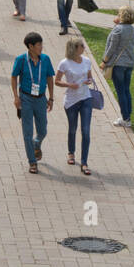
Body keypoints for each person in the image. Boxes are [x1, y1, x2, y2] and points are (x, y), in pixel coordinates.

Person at [11, 31, 55, 174]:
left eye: (41, 44)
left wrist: (51, 97)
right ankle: (32, 162)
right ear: (30, 46)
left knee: (42, 130)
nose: (41, 47)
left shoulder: (46, 59)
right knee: (27, 132)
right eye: (38, 45)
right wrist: (16, 97)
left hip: (41, 99)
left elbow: (49, 78)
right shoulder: (21, 60)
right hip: (26, 99)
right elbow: (14, 77)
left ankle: (36, 144)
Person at [55, 35, 96, 174]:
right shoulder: (64, 63)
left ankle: (84, 162)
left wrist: (88, 81)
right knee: (72, 128)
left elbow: (89, 76)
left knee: (86, 130)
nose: (84, 48)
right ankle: (71, 152)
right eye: (82, 46)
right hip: (71, 101)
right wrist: (69, 84)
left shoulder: (87, 61)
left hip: (86, 98)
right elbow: (57, 81)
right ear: (75, 48)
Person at [100, 5, 134, 127]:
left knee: (120, 91)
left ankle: (125, 119)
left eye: (118, 14)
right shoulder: (132, 29)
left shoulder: (117, 30)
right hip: (129, 64)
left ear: (122, 16)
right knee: (126, 90)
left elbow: (112, 48)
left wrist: (104, 61)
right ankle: (127, 116)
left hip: (118, 64)